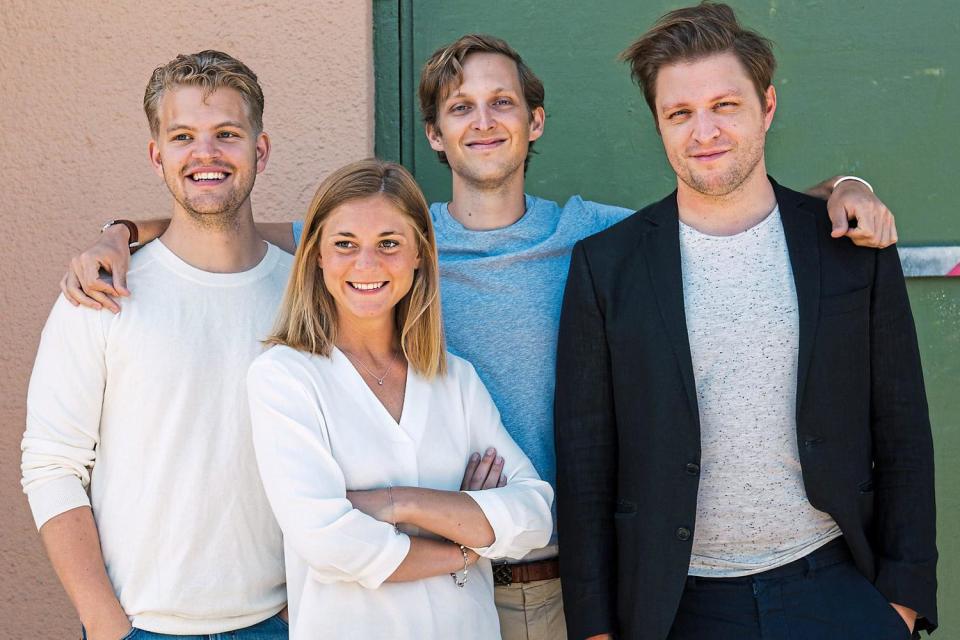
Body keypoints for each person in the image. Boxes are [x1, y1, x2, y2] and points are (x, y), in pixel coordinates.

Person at [58, 33, 900, 640]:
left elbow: (726, 199)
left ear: (535, 122)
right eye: (461, 107)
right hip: (439, 593)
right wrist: (121, 230)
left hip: (578, 574)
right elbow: (241, 223)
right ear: (434, 135)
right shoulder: (395, 245)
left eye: (503, 103)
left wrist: (846, 185)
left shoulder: (600, 239)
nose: (484, 120)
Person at [554, 4, 937, 640]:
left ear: (767, 106)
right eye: (680, 113)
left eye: (724, 105)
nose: (704, 131)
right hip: (677, 607)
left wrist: (899, 604)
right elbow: (586, 459)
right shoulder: (608, 265)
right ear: (658, 124)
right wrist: (595, 629)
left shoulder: (847, 243)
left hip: (838, 589)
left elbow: (902, 428)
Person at [21, 51, 291, 638]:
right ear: (157, 155)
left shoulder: (307, 292)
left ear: (260, 150)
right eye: (183, 136)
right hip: (140, 626)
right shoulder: (103, 291)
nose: (206, 154)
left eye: (227, 134)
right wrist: (106, 623)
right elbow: (51, 465)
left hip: (282, 621)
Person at [246, 158, 553, 639]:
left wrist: (398, 503)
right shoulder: (285, 378)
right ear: (317, 256)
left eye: (389, 244)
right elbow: (328, 542)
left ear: (419, 254)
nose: (366, 265)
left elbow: (534, 516)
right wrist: (467, 541)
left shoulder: (455, 378)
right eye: (345, 244)